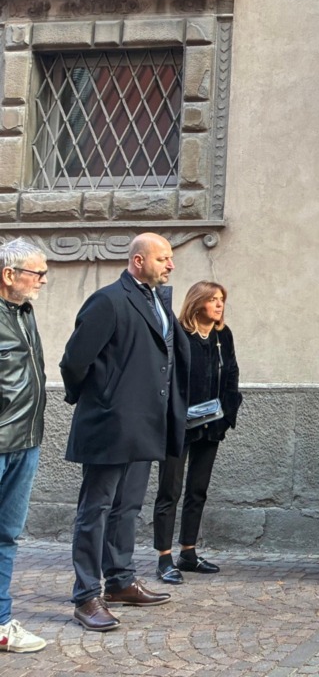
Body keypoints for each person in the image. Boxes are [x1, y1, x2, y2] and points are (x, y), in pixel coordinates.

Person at [60, 233, 189, 632]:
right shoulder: (109, 300)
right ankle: (86, 596)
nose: (170, 265)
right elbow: (74, 362)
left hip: (147, 425)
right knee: (95, 511)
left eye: (170, 258)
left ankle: (119, 581)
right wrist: (104, 400)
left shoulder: (157, 300)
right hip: (111, 424)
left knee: (128, 507)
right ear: (137, 261)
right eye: (163, 258)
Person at [153, 281, 242, 585]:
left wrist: (228, 413)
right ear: (197, 303)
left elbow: (231, 372)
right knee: (170, 491)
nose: (219, 305)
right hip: (178, 426)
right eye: (213, 300)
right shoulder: (178, 334)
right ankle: (164, 557)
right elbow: (165, 378)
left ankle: (187, 552)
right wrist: (170, 416)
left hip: (211, 424)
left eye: (221, 299)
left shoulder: (222, 335)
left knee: (197, 490)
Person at [0, 239, 49, 653]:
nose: (43, 282)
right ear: (8, 275)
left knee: (6, 536)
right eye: (38, 274)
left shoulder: (24, 312)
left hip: (25, 441)